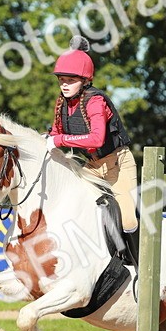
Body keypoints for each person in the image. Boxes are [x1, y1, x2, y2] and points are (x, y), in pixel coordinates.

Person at [46, 36, 140, 266]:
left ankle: (139, 266)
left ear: (85, 80)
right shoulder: (62, 103)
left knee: (128, 220)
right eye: (61, 79)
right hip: (91, 166)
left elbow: (97, 139)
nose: (64, 84)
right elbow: (55, 133)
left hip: (117, 165)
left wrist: (59, 140)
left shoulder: (95, 101)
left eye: (70, 80)